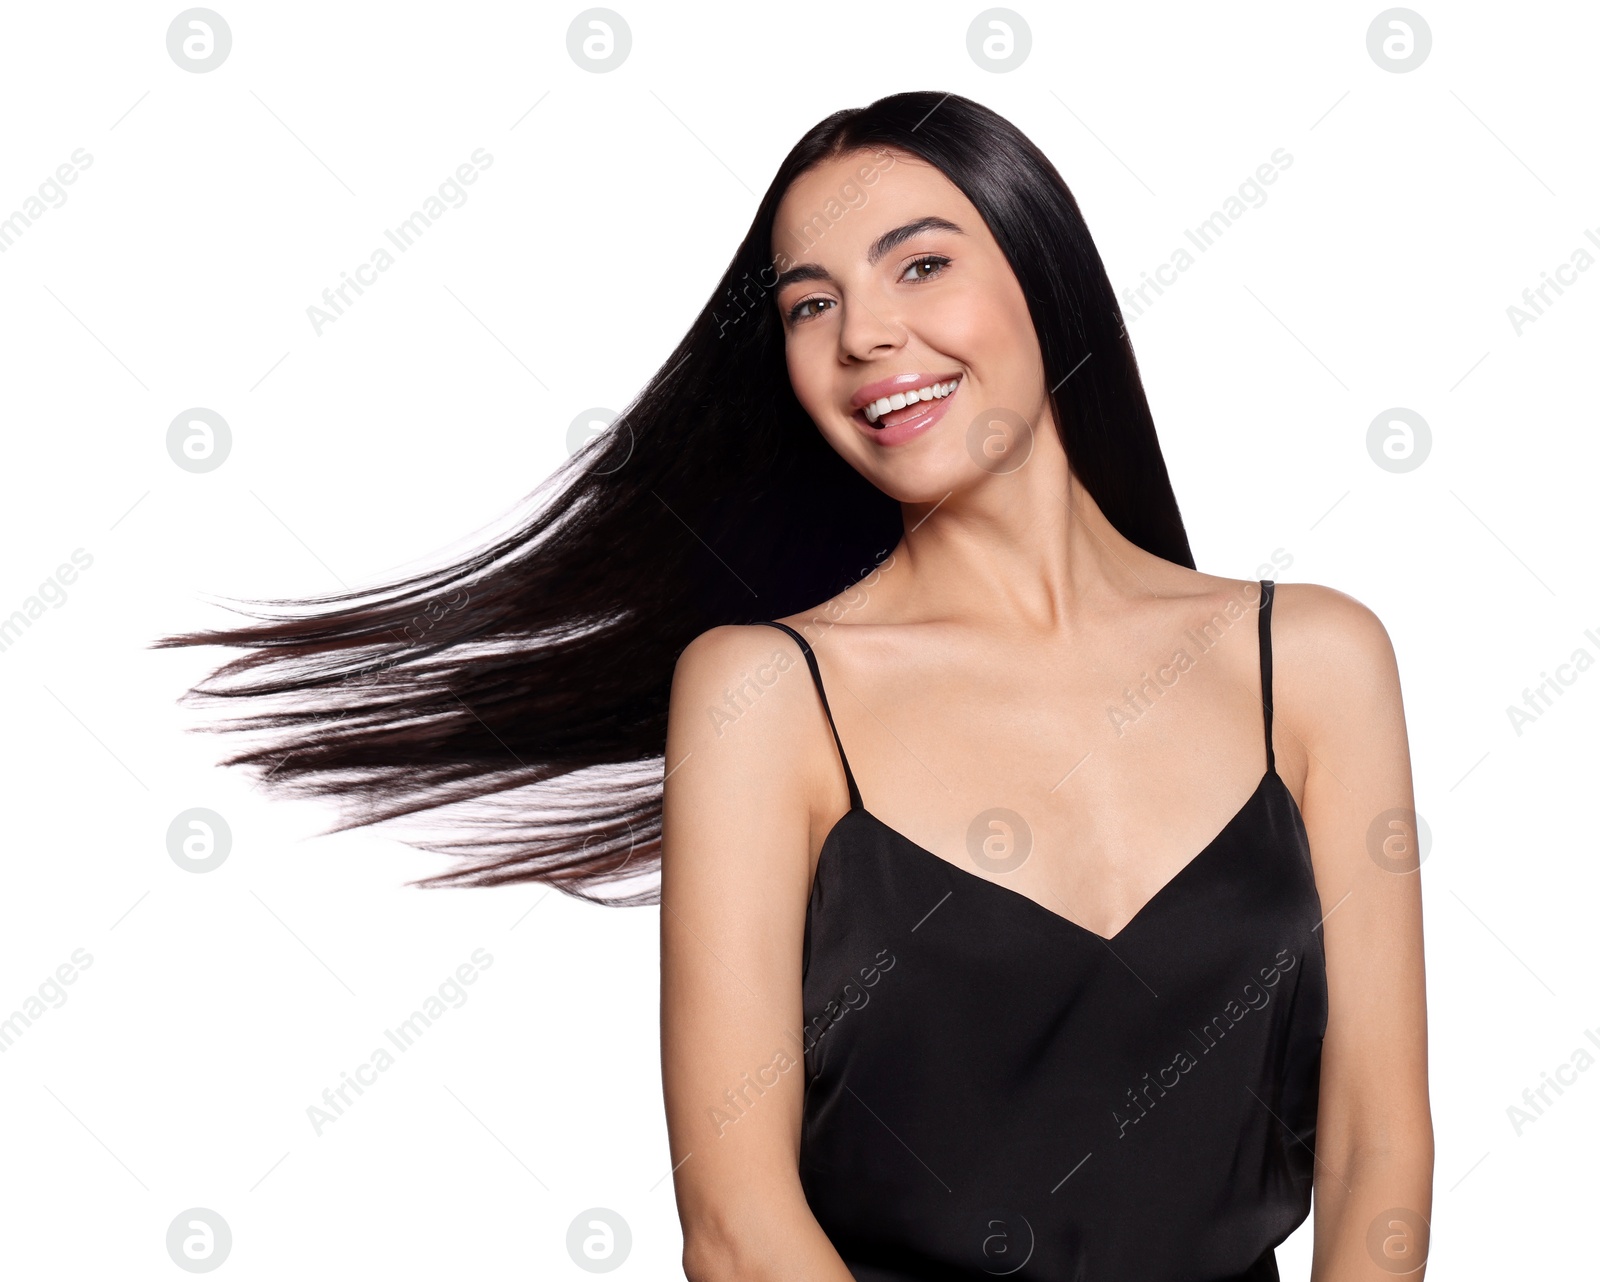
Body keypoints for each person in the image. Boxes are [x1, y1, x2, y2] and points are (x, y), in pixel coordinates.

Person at [155, 91, 1432, 1280]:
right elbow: (735, 1221)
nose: (865, 333)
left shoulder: (1311, 660)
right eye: (807, 303)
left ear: (1044, 274)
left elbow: (1379, 1144)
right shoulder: (764, 694)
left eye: (919, 263)